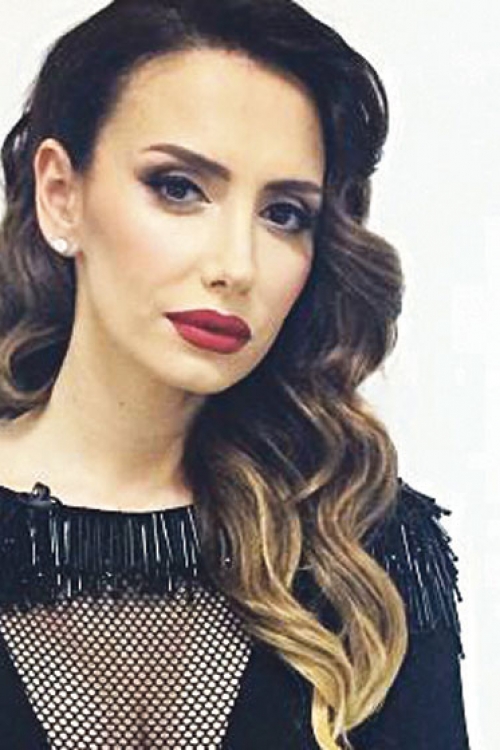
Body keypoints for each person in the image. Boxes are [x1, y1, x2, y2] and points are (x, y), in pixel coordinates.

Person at [0, 1, 469, 748]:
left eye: (284, 214)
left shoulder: (363, 550)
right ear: (62, 196)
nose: (236, 266)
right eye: (178, 187)